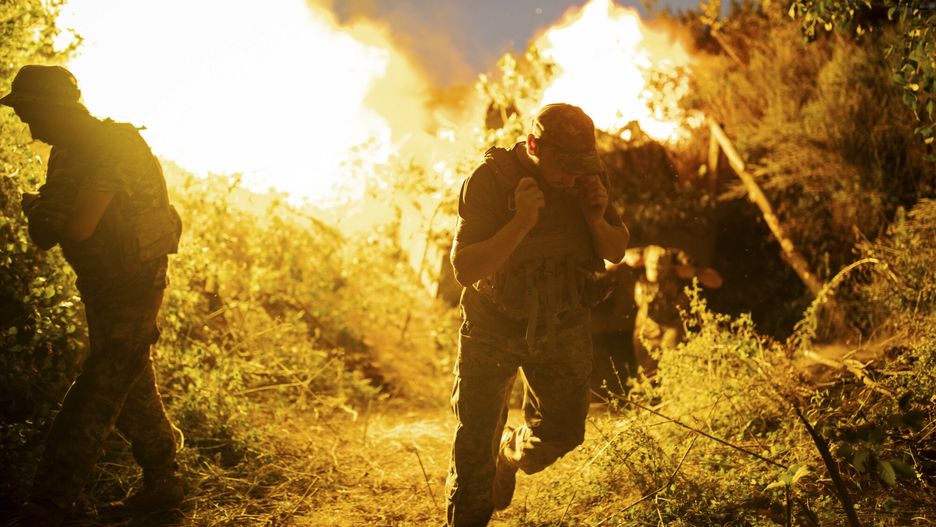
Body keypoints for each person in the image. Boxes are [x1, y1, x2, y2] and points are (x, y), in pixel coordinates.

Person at [1, 65, 184, 525]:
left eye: (29, 111)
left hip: (136, 281)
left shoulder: (114, 146)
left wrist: (45, 211)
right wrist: (47, 213)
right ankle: (165, 480)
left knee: (100, 384)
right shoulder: (66, 153)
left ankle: (50, 502)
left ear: (56, 108)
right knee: (128, 375)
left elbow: (76, 226)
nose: (28, 124)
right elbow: (49, 231)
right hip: (101, 281)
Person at [447, 103, 629, 526]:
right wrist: (521, 222)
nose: (571, 177)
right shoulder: (490, 181)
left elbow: (615, 249)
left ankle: (509, 454)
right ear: (533, 145)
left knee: (564, 431)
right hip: (492, 323)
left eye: (580, 167)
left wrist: (596, 219)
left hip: (560, 324)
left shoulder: (586, 178)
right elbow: (465, 269)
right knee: (474, 446)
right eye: (563, 166)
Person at [624, 245, 722, 378]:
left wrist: (692, 272)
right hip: (646, 323)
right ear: (645, 262)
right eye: (653, 267)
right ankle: (648, 394)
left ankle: (672, 392)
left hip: (673, 324)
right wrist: (623, 257)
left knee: (671, 364)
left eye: (660, 268)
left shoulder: (681, 260)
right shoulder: (639, 257)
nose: (657, 271)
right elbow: (605, 265)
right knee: (646, 370)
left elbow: (717, 281)